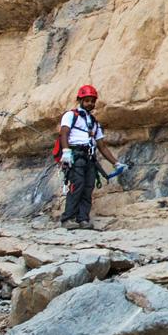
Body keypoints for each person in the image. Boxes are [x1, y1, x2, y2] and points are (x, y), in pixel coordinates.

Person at [57, 84, 118, 229]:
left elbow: (101, 145)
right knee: (76, 186)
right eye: (87, 100)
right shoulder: (71, 115)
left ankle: (83, 219)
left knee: (88, 188)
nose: (90, 103)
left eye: (92, 100)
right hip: (75, 155)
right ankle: (68, 218)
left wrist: (116, 163)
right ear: (80, 100)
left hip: (89, 157)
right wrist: (66, 151)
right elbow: (64, 133)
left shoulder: (94, 122)